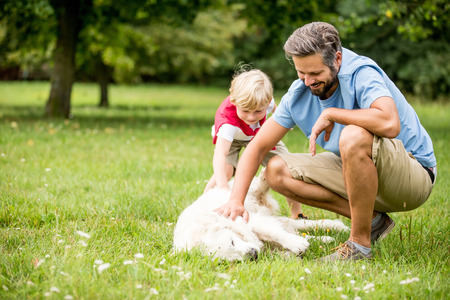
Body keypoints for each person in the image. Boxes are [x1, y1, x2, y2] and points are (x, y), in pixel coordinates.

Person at [216, 22, 436, 261]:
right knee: (276, 170)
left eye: (315, 74)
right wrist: (236, 201)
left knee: (353, 134)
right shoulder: (299, 92)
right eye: (302, 73)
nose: (308, 81)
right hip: (362, 173)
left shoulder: (361, 73)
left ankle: (359, 247)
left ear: (337, 59)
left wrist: (333, 114)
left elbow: (390, 122)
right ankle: (373, 221)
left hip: (412, 175)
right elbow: (257, 147)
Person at [204, 68, 306, 219]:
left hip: (257, 134)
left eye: (258, 111)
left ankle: (297, 213)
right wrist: (224, 189)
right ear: (234, 101)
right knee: (225, 171)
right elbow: (220, 154)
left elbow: (277, 111)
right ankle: (205, 201)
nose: (251, 117)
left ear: (267, 101)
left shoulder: (266, 101)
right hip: (233, 138)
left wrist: (286, 123)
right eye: (245, 110)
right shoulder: (228, 124)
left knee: (287, 168)